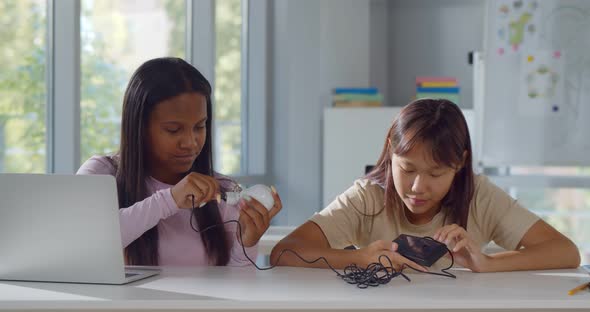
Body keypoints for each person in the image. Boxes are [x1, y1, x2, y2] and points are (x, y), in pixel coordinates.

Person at [270, 99, 580, 272]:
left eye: (435, 174)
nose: (418, 187)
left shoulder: (479, 195)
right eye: (407, 169)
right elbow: (285, 252)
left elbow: (565, 251)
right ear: (391, 153)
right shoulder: (368, 196)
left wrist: (487, 263)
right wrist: (359, 257)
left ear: (460, 163)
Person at [78, 57, 282, 266]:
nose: (191, 143)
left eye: (199, 127)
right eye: (173, 130)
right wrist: (170, 199)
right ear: (139, 127)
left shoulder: (221, 192)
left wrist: (246, 244)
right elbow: (84, 241)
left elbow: (234, 290)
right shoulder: (101, 174)